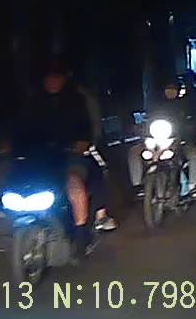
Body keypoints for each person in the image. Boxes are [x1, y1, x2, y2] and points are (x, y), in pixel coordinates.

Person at [10, 59, 117, 255]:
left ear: (64, 79)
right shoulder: (35, 102)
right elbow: (21, 128)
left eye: (56, 78)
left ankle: (80, 233)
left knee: (74, 183)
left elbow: (88, 128)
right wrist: (12, 146)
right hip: (41, 157)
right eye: (48, 78)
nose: (52, 82)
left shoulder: (77, 100)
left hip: (70, 155)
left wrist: (82, 142)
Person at [128, 83, 196, 198]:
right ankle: (139, 185)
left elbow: (194, 117)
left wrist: (190, 126)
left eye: (173, 89)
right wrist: (142, 128)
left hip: (178, 140)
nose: (170, 92)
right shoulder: (155, 105)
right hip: (154, 141)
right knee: (134, 152)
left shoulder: (184, 104)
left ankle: (192, 186)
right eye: (168, 89)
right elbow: (146, 120)